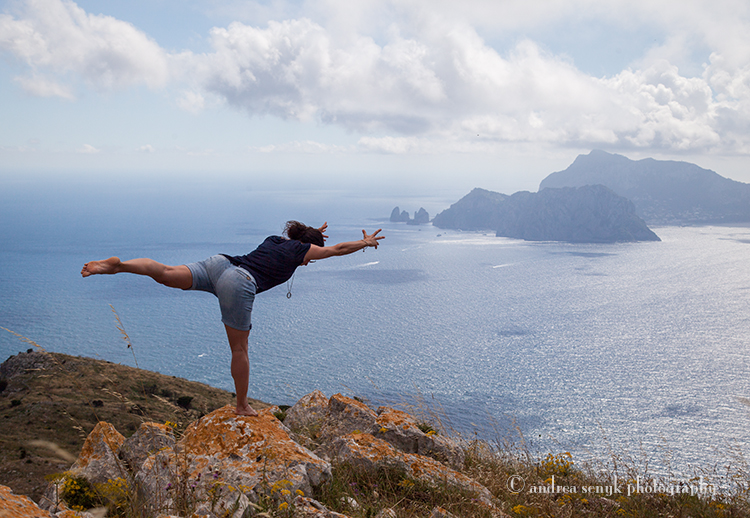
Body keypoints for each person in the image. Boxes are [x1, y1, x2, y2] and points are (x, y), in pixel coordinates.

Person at [81, 221, 384, 416]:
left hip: (219, 264)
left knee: (166, 273)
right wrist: (365, 243)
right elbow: (337, 249)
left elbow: (299, 241)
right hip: (238, 283)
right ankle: (242, 406)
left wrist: (310, 234)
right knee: (240, 349)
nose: (308, 261)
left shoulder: (274, 240)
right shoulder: (301, 250)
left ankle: (118, 266)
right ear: (308, 247)